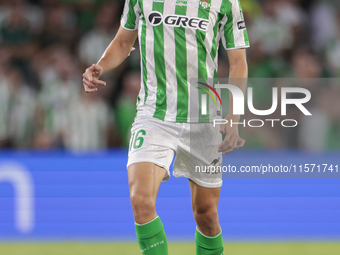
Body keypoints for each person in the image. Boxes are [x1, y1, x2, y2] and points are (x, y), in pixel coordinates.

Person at [82, 0, 249, 254]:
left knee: (206, 214)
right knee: (140, 200)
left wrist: (233, 116)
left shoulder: (225, 3)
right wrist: (101, 65)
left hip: (203, 120)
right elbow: (124, 42)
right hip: (154, 114)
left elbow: (238, 62)